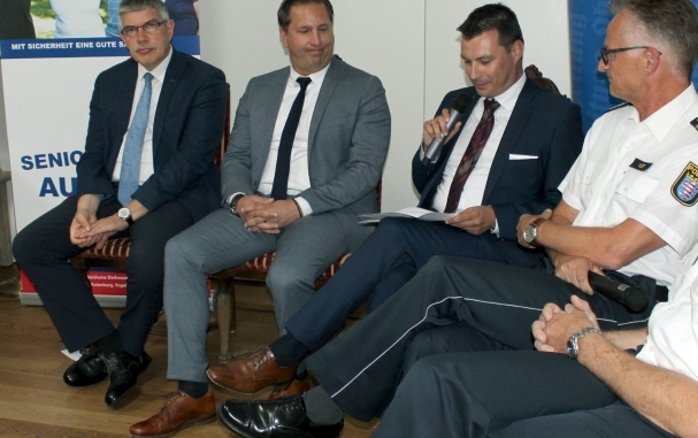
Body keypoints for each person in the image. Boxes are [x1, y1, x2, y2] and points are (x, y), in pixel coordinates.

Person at [368, 0, 698, 436]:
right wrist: (590, 332)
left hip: (693, 414)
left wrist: (589, 344)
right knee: (440, 379)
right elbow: (692, 331)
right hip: (652, 363)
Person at [215, 0, 698, 436]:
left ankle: (301, 392)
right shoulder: (612, 128)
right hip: (557, 278)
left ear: (650, 58)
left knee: (438, 273)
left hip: (619, 308)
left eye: (610, 54)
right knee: (424, 343)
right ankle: (320, 409)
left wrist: (536, 231)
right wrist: (562, 247)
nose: (601, 64)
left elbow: (610, 245)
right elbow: (564, 217)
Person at [206, 2, 583, 401]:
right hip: (441, 231)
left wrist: (495, 218)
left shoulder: (556, 115)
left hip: (502, 247)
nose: (475, 73)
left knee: (395, 235)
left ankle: (287, 354)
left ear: (517, 50)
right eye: (467, 61)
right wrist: (428, 151)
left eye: (485, 61)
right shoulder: (459, 100)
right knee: (391, 275)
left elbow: (560, 205)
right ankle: (328, 401)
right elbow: (426, 183)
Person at [127, 0, 390, 435]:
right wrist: (239, 199)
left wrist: (296, 207)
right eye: (304, 31)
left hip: (326, 211)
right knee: (182, 251)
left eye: (323, 29)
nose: (317, 41)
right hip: (257, 206)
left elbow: (364, 171)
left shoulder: (364, 87)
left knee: (285, 277)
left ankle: (295, 377)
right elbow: (237, 157)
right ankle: (193, 391)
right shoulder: (261, 87)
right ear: (284, 36)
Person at [12, 0, 226, 409]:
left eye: (149, 27)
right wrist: (87, 207)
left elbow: (191, 161)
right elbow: (94, 154)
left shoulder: (205, 79)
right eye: (130, 30)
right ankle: (114, 349)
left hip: (174, 194)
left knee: (150, 258)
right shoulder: (110, 80)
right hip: (110, 188)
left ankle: (126, 346)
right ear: (121, 35)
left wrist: (122, 217)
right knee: (31, 245)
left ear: (168, 28)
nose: (141, 38)